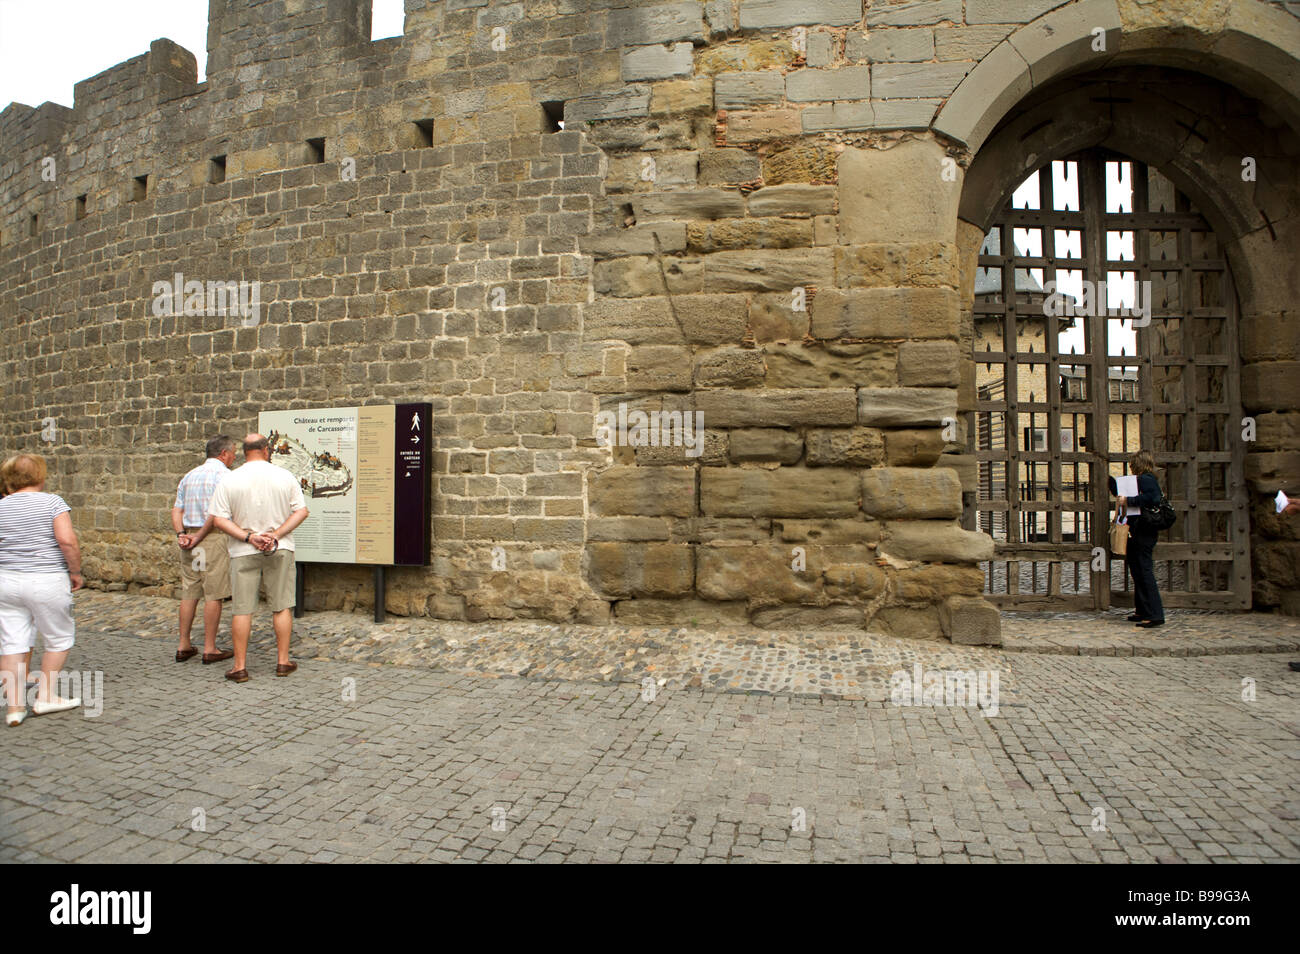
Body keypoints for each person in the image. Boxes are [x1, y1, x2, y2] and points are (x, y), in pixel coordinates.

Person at [207, 434, 308, 682]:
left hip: (243, 550)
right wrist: (276, 534)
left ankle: (239, 666)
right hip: (279, 547)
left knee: (242, 608)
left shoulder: (231, 478)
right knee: (281, 605)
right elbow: (301, 511)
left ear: (244, 452)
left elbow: (219, 519)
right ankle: (283, 661)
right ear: (266, 450)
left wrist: (248, 537)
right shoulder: (284, 476)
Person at [0, 454, 83, 726]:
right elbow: (67, 540)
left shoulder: (2, 506)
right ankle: (45, 695)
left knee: (12, 641)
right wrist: (75, 571)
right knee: (59, 637)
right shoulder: (52, 502)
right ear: (40, 476)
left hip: (7, 580)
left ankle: (14, 708)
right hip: (46, 578)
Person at [171, 436, 236, 664]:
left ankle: (184, 644)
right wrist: (200, 536)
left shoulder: (189, 476)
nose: (234, 456)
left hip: (189, 538)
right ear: (224, 454)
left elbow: (177, 510)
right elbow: (216, 514)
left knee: (190, 591)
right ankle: (210, 648)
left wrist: (182, 535)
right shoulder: (226, 477)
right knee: (214, 593)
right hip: (212, 538)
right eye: (233, 452)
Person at [1116, 450, 1165, 629]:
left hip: (1144, 531)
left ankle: (1154, 614)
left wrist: (1128, 500)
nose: (1130, 466)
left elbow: (1152, 498)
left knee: (1144, 572)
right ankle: (1142, 610)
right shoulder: (1146, 479)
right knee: (1137, 570)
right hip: (1141, 531)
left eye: (1132, 463)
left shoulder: (1146, 479)